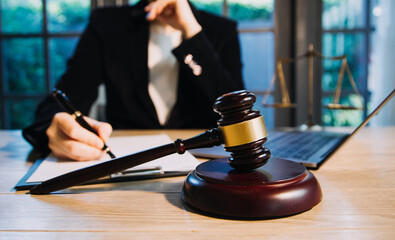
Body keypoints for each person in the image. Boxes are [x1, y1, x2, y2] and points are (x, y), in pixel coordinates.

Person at [22, 0, 244, 161]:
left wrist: (192, 32)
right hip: (124, 166)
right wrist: (56, 127)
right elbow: (60, 101)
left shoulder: (221, 30)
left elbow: (238, 114)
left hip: (205, 170)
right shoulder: (107, 24)